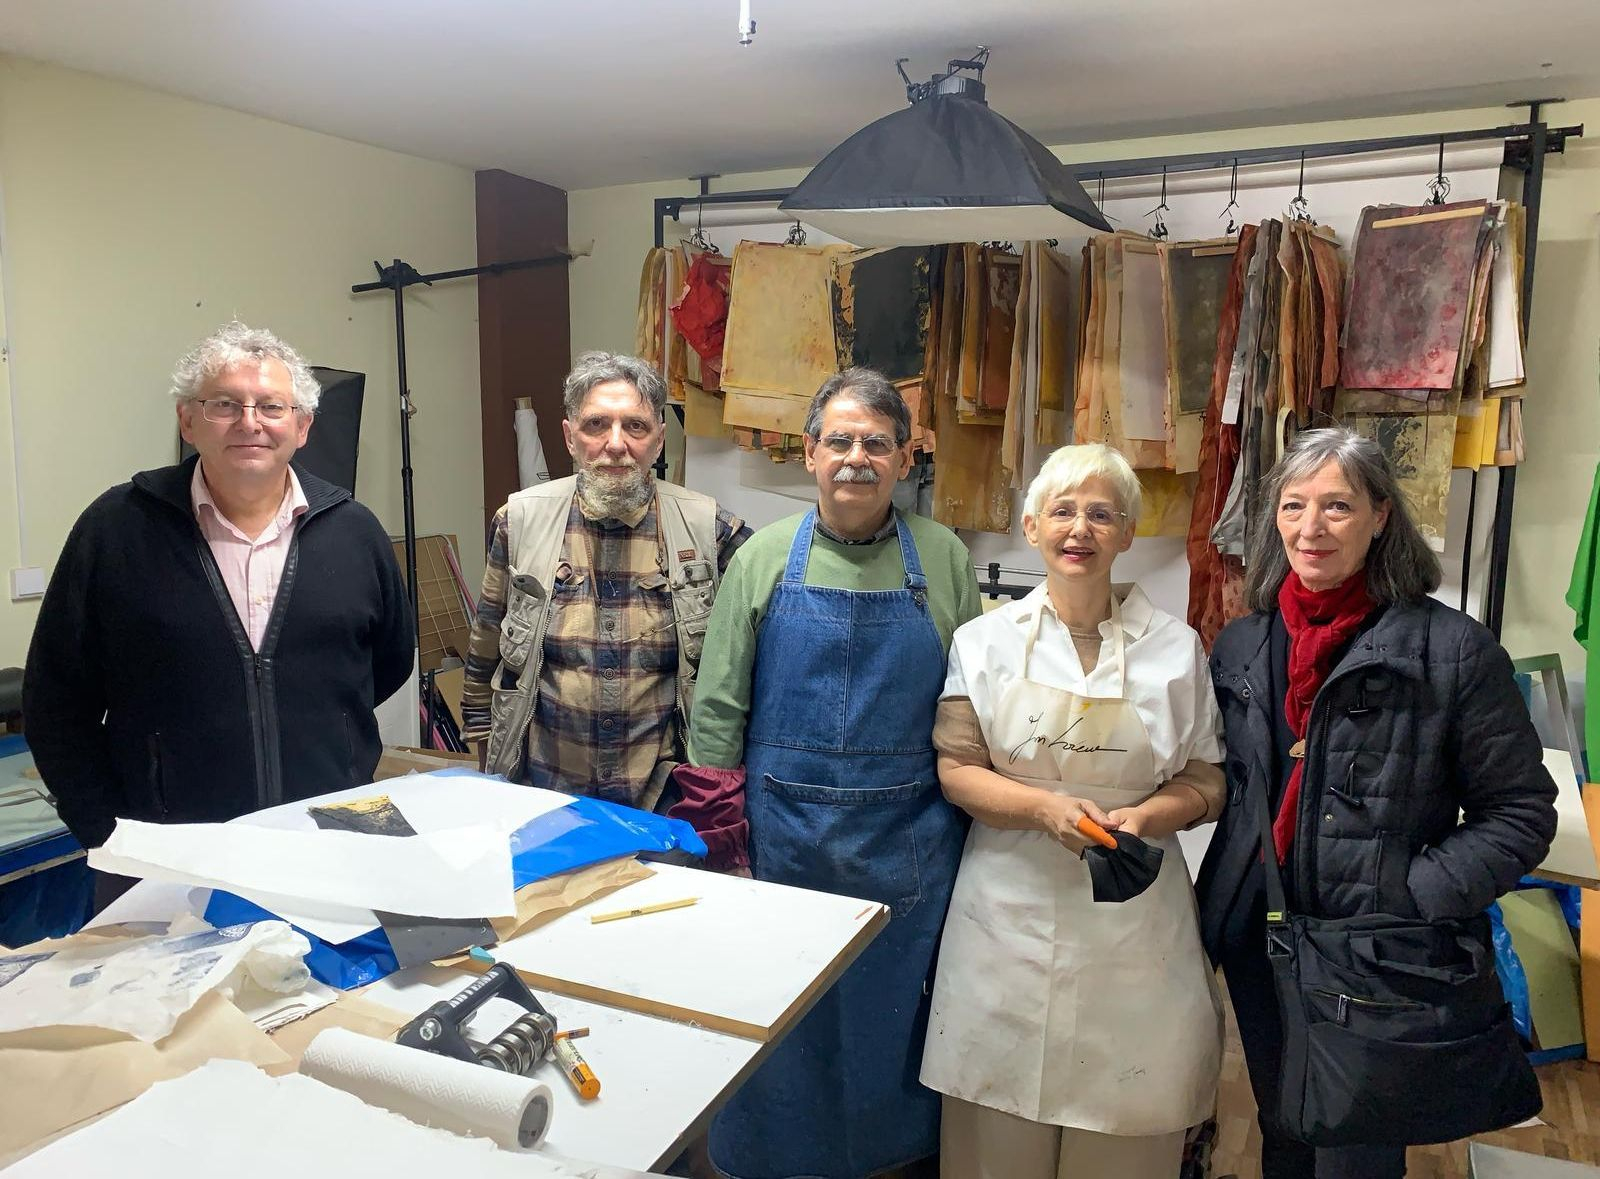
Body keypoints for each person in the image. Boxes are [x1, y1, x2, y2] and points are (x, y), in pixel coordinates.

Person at [1196, 427, 1557, 1178]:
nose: (1310, 526)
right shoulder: (1242, 643)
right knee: (1284, 1123)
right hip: (1261, 937)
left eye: (1337, 505)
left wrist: (1412, 890)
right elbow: (1226, 786)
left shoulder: (1451, 651)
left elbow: (1521, 812)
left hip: (1374, 951)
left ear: (1381, 515)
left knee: (1356, 1149)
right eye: (1293, 505)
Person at [689, 366, 981, 1178]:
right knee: (783, 1025)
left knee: (892, 1026)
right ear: (810, 452)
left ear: (905, 458)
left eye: (877, 443)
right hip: (783, 848)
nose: (857, 458)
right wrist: (718, 844)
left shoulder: (946, 558)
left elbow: (973, 701)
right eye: (840, 441)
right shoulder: (763, 559)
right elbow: (717, 707)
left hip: (909, 846)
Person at [25, 321, 415, 908]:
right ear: (188, 421)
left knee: (345, 988)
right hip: (167, 849)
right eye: (225, 405)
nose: (250, 422)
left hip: (331, 832)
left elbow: (386, 663)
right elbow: (56, 699)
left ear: (303, 426)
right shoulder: (116, 529)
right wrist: (108, 833)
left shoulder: (355, 532)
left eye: (271, 406)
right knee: (171, 1000)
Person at [920, 443, 1226, 1179]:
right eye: (1062, 511)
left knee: (1123, 1128)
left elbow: (1207, 778)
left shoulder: (1177, 650)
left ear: (1126, 533)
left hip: (1135, 923)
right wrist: (1041, 808)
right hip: (1006, 916)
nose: (1078, 529)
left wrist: (1148, 817)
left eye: (1100, 513)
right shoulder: (984, 642)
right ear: (1032, 527)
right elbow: (957, 768)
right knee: (998, 1133)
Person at [460, 352, 751, 867]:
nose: (616, 444)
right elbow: (486, 640)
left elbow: (756, 646)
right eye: (598, 424)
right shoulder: (520, 522)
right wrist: (482, 750)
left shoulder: (710, 529)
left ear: (659, 437)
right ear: (571, 436)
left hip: (665, 802)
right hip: (545, 797)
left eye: (635, 425)